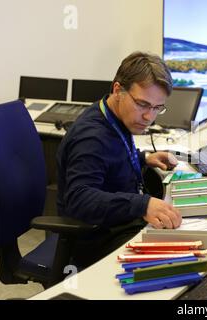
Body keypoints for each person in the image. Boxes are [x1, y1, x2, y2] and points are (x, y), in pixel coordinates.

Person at [56, 51, 181, 267]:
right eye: (142, 104)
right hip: (98, 238)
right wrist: (142, 205)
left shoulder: (111, 113)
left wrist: (143, 158)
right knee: (173, 262)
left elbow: (108, 160)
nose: (148, 117)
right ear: (118, 90)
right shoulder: (92, 137)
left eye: (157, 108)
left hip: (117, 223)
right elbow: (79, 199)